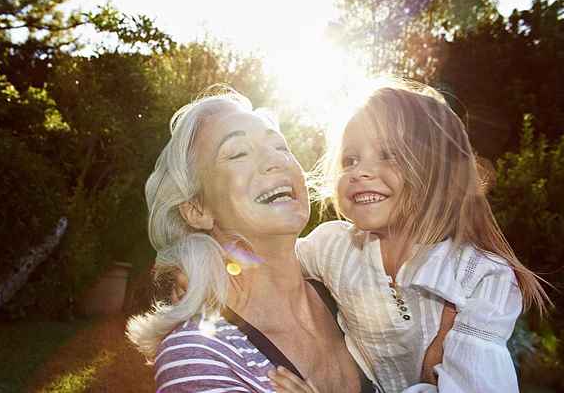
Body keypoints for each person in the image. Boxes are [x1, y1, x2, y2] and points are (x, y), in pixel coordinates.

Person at [269, 79, 550, 393]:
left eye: (389, 154)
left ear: (438, 174)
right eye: (350, 160)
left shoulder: (480, 278)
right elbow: (264, 263)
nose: (360, 172)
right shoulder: (333, 246)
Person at [126, 86, 374, 392]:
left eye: (281, 147)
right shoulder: (198, 354)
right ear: (197, 209)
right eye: (238, 153)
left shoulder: (354, 293)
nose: (275, 161)